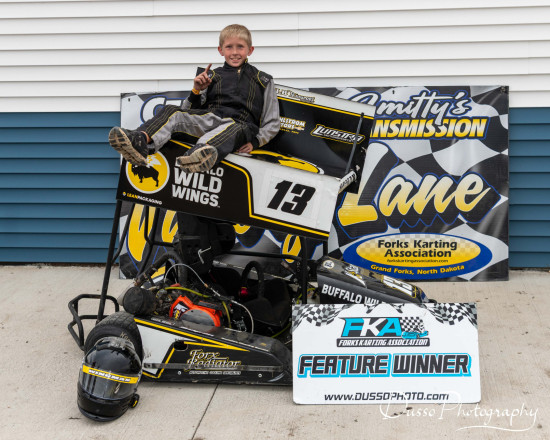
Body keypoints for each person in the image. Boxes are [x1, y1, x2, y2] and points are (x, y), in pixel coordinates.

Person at [108, 24, 280, 174]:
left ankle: (199, 155)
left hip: (240, 127)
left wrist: (256, 142)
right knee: (172, 111)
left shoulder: (263, 80)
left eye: (240, 47)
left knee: (233, 128)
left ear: (250, 50)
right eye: (229, 47)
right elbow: (188, 111)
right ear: (220, 50)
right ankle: (139, 142)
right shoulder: (211, 76)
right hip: (211, 119)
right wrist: (196, 90)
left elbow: (272, 123)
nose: (235, 52)